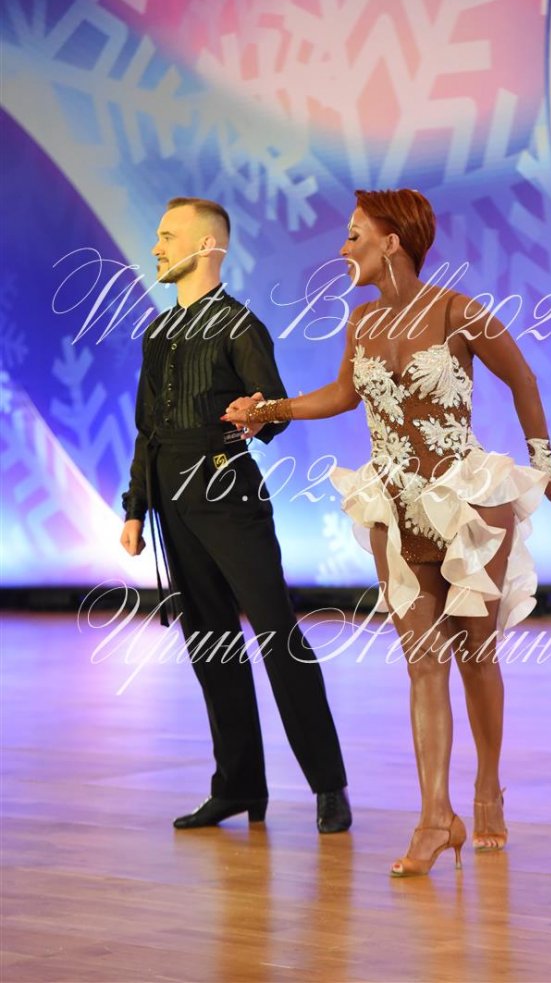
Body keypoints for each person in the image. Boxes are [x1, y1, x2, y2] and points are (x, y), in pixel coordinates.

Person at [223, 188, 551, 876]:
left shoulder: (457, 310)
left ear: (392, 242)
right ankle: (435, 818)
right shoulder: (361, 321)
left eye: (355, 235)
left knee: (477, 656)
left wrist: (545, 463)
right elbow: (343, 395)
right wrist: (269, 410)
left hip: (469, 504)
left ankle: (487, 787)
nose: (343, 247)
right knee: (422, 663)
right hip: (394, 507)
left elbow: (523, 378)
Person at [120, 196, 351, 834]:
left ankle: (328, 785)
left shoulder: (239, 326)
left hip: (229, 494)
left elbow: (273, 413)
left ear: (205, 246)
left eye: (168, 236)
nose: (157, 247)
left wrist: (257, 414)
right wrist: (136, 508)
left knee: (278, 635)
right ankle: (239, 787)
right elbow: (147, 429)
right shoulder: (158, 333)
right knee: (210, 644)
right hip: (173, 501)